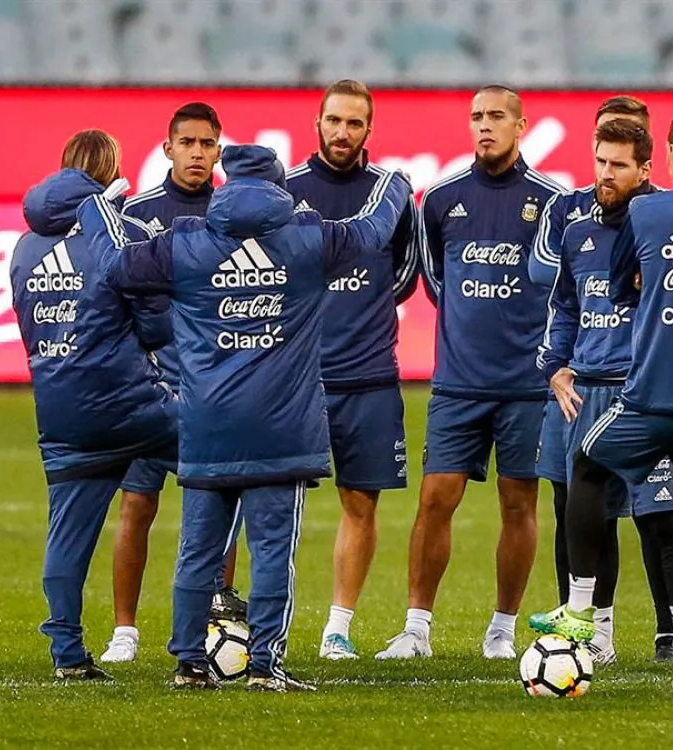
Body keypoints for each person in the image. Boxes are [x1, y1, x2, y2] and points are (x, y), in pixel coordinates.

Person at [93, 144, 411, 691]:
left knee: (198, 553)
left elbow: (114, 266)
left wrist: (96, 211)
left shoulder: (186, 243)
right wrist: (399, 183)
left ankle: (189, 664)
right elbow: (371, 230)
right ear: (280, 186)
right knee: (271, 556)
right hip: (282, 429)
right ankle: (265, 666)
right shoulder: (310, 238)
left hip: (207, 426)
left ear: (225, 179)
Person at [529, 110, 673, 703]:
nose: (606, 173)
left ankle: (582, 613)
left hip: (651, 391)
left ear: (666, 156)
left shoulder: (647, 214)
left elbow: (616, 281)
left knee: (593, 469)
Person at [377, 86, 563, 661]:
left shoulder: (553, 201)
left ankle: (502, 629)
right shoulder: (441, 200)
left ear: (521, 125)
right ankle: (415, 627)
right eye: (477, 117)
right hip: (458, 380)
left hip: (527, 384)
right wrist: (469, 322)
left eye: (497, 117)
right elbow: (435, 280)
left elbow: (563, 282)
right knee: (436, 497)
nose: (486, 126)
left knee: (518, 502)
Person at [531, 94, 673, 664]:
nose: (606, 174)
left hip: (645, 393)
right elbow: (563, 308)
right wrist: (553, 367)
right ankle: (593, 632)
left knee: (662, 518)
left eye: (619, 165)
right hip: (581, 393)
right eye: (601, 162)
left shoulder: (667, 229)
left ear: (645, 169)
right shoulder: (576, 231)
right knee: (577, 515)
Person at [9, 129, 177, 681]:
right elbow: (155, 326)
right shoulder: (122, 232)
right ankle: (206, 629)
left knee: (67, 535)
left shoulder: (25, 246)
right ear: (110, 173)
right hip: (131, 406)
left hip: (59, 412)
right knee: (228, 464)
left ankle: (67, 654)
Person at [283, 80, 418, 661]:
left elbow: (407, 272)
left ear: (369, 130)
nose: (342, 133)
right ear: (317, 123)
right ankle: (254, 622)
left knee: (359, 503)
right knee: (267, 504)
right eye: (334, 121)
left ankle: (336, 628)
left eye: (354, 124)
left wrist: (354, 307)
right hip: (292, 381)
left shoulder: (389, 191)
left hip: (367, 378)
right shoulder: (282, 189)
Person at [102, 102, 234, 665]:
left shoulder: (236, 213)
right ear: (168, 148)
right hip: (154, 388)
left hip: (218, 392)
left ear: (219, 151)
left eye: (207, 144)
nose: (198, 153)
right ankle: (125, 630)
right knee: (137, 504)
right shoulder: (137, 214)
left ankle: (216, 623)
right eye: (188, 143)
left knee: (222, 511)